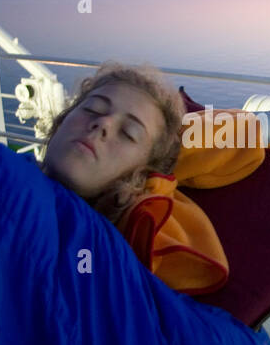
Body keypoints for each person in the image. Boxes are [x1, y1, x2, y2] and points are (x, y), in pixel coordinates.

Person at [39, 61, 186, 224]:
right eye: (92, 109)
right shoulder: (6, 164)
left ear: (140, 177)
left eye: (128, 133)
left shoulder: (109, 247)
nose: (104, 123)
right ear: (62, 120)